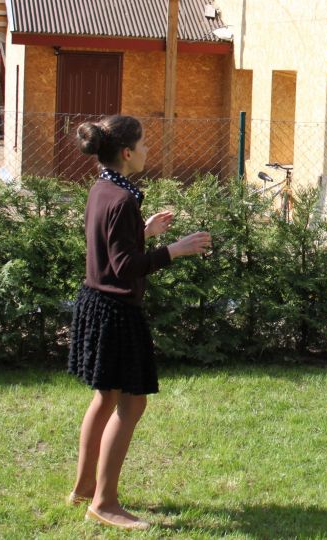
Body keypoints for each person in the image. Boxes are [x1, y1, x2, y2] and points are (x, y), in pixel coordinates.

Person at [67, 115, 211, 530]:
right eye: (144, 144)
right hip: (116, 313)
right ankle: (104, 502)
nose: (149, 149)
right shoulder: (122, 199)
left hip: (96, 303)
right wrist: (175, 249)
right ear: (127, 153)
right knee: (131, 403)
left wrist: (142, 232)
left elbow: (111, 250)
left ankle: (83, 488)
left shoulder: (103, 189)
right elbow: (126, 266)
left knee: (104, 399)